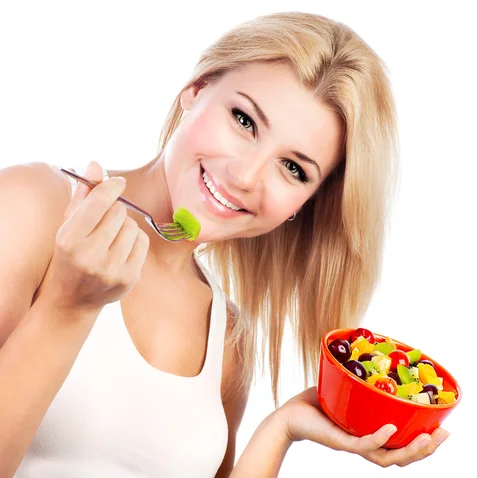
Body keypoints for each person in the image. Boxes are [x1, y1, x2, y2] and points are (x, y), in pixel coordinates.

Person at [0, 12, 449, 477]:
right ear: (195, 89)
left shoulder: (228, 338)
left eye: (293, 169)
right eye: (244, 120)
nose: (244, 176)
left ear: (305, 205)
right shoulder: (31, 207)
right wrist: (67, 307)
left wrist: (281, 430)